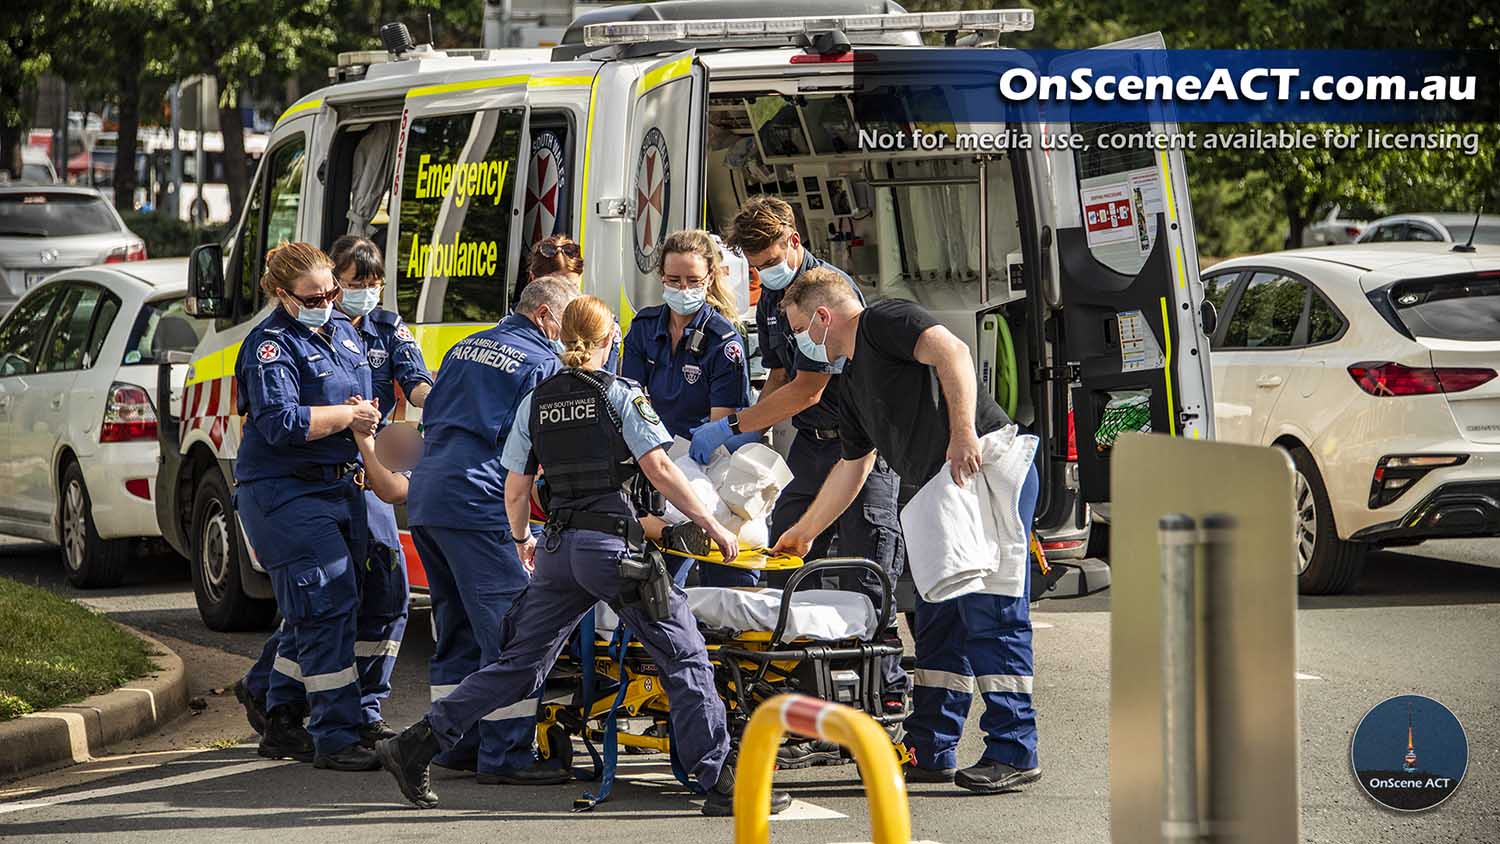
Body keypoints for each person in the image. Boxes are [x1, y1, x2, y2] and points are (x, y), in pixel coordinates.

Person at [376, 295, 791, 818]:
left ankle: (416, 743)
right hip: (614, 550)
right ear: (609, 338)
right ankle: (721, 780)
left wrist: (523, 539)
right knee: (684, 657)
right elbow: (661, 469)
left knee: (519, 667)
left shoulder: (538, 399)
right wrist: (707, 522)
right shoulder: (620, 393)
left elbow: (516, 488)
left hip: (558, 555)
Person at [768, 270, 1042, 795]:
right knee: (938, 616)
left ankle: (1015, 748)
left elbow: (953, 352)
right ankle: (930, 746)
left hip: (981, 469)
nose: (800, 340)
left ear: (823, 317)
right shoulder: (851, 386)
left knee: (991, 612)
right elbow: (853, 467)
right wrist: (804, 533)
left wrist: (962, 432)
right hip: (942, 488)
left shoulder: (883, 321)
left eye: (800, 327)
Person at [693, 196, 908, 753]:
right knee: (785, 568)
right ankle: (802, 710)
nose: (763, 271)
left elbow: (811, 386)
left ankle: (880, 703)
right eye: (755, 264)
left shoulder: (825, 295)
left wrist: (736, 425)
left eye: (769, 258)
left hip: (858, 450)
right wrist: (750, 437)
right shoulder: (774, 300)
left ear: (792, 238)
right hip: (812, 447)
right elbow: (782, 375)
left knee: (867, 577)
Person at [234, 235, 431, 750]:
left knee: (364, 598)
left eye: (331, 294)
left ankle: (299, 713)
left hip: (344, 483)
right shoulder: (270, 344)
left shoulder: (345, 332)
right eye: (314, 297)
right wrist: (349, 416)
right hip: (286, 493)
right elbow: (280, 421)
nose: (328, 305)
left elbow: (385, 393)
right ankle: (335, 734)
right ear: (282, 293)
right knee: (325, 605)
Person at [404, 274, 580, 785]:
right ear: (546, 316)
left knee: (455, 625)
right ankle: (506, 755)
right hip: (479, 500)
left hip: (430, 495)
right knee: (510, 632)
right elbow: (535, 445)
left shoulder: (465, 348)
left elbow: (431, 412)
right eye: (564, 325)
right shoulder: (542, 362)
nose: (567, 338)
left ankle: (455, 746)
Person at [621, 229, 755, 586]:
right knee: (661, 573)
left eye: (693, 280)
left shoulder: (723, 340)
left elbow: (722, 424)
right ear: (661, 278)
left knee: (724, 561)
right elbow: (629, 397)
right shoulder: (645, 328)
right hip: (655, 456)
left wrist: (687, 462)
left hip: (707, 459)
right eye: (674, 279)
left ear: (709, 278)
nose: (683, 289)